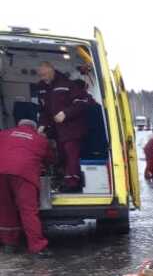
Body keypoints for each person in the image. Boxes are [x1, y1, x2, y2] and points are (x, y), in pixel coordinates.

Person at [0, 119, 54, 256]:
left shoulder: (4, 133)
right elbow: (50, 160)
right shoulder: (40, 139)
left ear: (18, 125)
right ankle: (37, 248)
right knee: (28, 211)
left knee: (5, 209)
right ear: (34, 128)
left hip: (1, 172)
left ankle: (9, 244)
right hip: (24, 174)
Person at [35, 62, 91, 192]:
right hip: (58, 130)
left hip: (72, 129)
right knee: (61, 156)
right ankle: (63, 181)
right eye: (40, 75)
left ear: (52, 70)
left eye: (44, 74)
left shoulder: (68, 84)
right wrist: (42, 125)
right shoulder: (43, 88)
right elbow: (44, 110)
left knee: (71, 155)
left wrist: (66, 113)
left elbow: (82, 103)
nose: (43, 77)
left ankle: (72, 184)